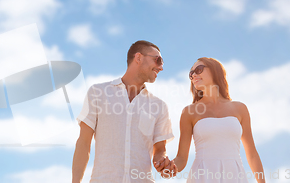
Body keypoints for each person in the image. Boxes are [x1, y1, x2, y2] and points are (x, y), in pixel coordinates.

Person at [72, 40, 175, 183]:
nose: (161, 67)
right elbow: (83, 142)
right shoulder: (98, 92)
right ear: (138, 58)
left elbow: (160, 150)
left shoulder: (159, 106)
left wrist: (163, 162)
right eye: (158, 60)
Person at [171, 57, 265, 183]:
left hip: (235, 176)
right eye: (191, 73)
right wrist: (168, 168)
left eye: (198, 69)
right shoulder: (189, 112)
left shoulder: (240, 108)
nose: (193, 75)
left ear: (215, 71)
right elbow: (181, 159)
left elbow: (252, 154)